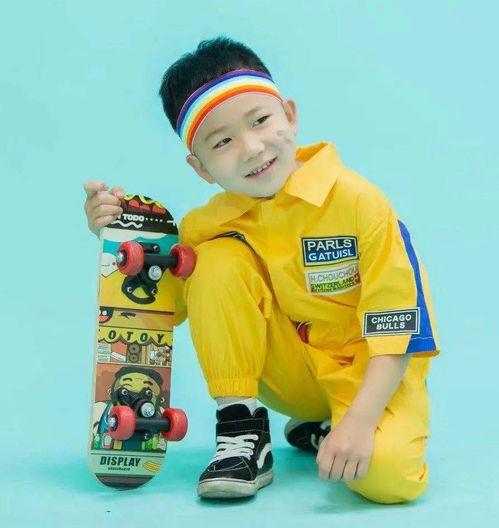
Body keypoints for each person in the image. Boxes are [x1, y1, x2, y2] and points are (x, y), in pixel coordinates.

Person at [83, 36, 440, 503]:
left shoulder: (359, 202)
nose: (252, 148)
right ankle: (243, 431)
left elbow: (400, 327)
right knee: (213, 259)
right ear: (201, 168)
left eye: (261, 121)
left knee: (386, 479)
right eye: (223, 142)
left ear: (289, 115)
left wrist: (358, 422)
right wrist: (116, 238)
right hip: (287, 376)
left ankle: (327, 426)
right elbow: (162, 312)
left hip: (370, 373)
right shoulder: (209, 225)